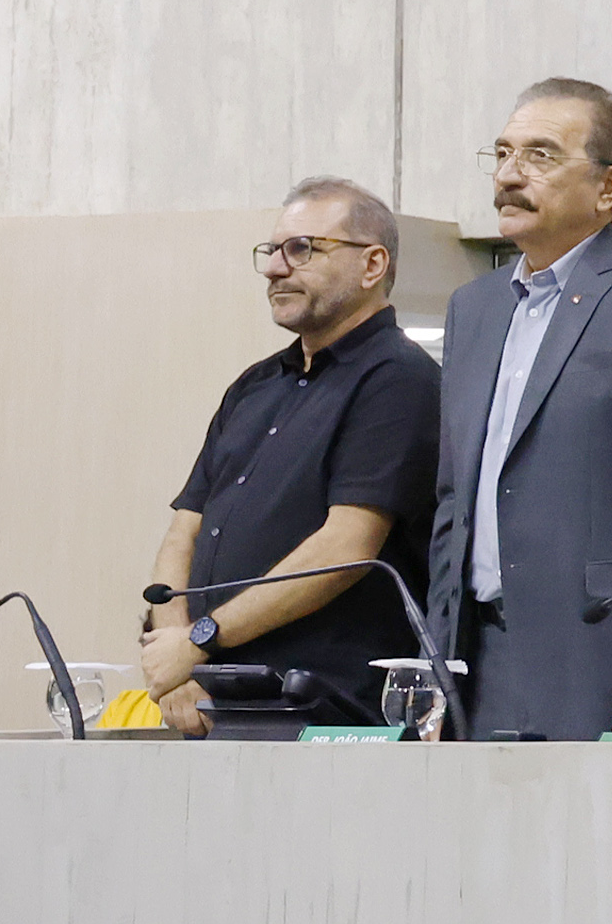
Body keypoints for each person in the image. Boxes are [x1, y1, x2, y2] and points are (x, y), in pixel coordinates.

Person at [426, 80, 612, 740]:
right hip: (475, 667)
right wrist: (434, 668)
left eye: (539, 156)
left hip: (608, 670)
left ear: (608, 185)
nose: (510, 175)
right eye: (503, 154)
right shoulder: (472, 309)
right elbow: (453, 506)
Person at [141, 179, 443, 734]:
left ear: (372, 265)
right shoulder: (255, 385)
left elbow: (347, 546)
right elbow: (184, 531)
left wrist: (200, 640)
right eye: (272, 251)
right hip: (216, 702)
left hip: (325, 713)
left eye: (302, 249)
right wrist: (175, 663)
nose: (276, 268)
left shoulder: (399, 380)